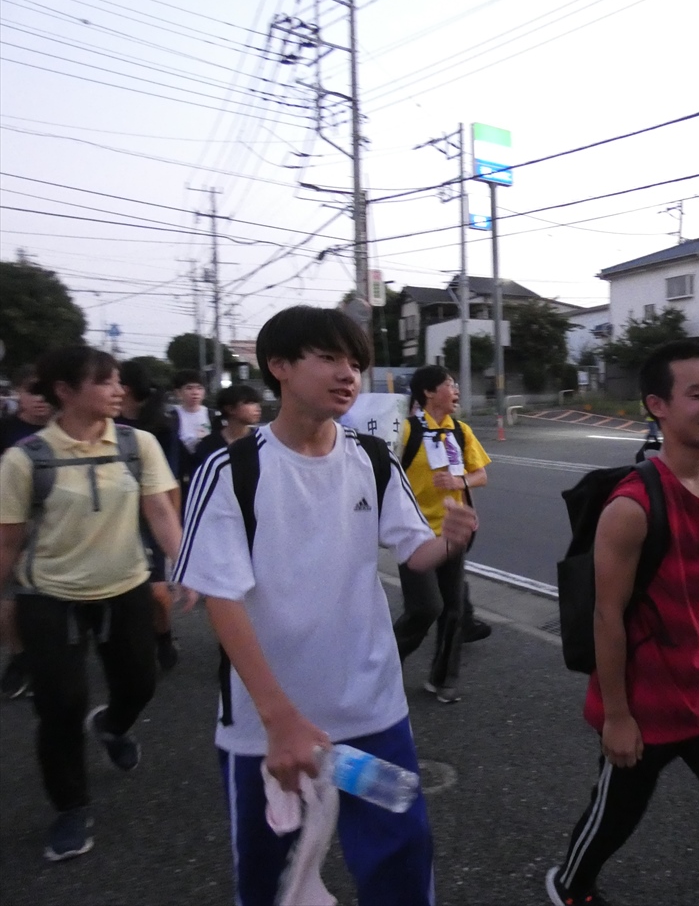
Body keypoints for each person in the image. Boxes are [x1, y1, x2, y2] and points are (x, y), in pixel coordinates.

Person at [173, 306, 477, 906]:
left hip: (372, 710)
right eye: (330, 358)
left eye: (356, 363)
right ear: (279, 366)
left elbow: (413, 549)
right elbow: (221, 598)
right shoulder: (231, 470)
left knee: (400, 866)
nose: (348, 375)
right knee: (272, 881)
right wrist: (278, 718)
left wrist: (449, 540)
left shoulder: (372, 458)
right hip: (266, 727)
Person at [546, 340, 699, 906]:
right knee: (616, 815)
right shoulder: (631, 508)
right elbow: (607, 615)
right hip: (646, 703)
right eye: (695, 394)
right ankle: (570, 885)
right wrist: (617, 716)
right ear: (657, 405)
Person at [0, 347, 186, 862]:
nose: (118, 390)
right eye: (105, 382)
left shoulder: (137, 443)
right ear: (65, 391)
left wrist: (185, 566)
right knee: (60, 705)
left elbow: (161, 511)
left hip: (125, 585)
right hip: (48, 596)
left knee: (140, 683)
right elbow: (8, 541)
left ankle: (112, 726)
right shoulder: (25, 459)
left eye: (118, 381)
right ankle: (70, 806)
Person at [397, 366, 491, 703]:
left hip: (453, 534)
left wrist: (459, 481)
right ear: (428, 392)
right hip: (414, 535)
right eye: (449, 384)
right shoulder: (406, 431)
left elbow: (480, 475)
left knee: (453, 610)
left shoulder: (461, 431)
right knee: (424, 609)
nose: (456, 390)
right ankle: (381, 669)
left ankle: (443, 680)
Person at [117, 361, 184, 673]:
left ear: (126, 388)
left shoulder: (161, 425)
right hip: (113, 511)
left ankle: (163, 636)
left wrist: (174, 523)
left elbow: (171, 478)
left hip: (150, 511)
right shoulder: (105, 422)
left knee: (156, 588)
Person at [0, 366, 52, 699]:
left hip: (55, 522)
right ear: (18, 392)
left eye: (46, 393)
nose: (41, 400)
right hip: (10, 520)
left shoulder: (65, 429)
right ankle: (19, 657)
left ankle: (49, 661)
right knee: (9, 596)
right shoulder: (6, 429)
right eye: (33, 391)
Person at [170, 369, 215, 502]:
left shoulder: (213, 416)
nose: (195, 392)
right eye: (189, 388)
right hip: (181, 476)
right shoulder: (171, 417)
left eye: (199, 388)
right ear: (178, 392)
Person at [192, 383, 262, 467]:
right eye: (250, 403)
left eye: (257, 403)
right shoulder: (209, 445)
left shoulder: (261, 440)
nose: (257, 408)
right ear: (230, 409)